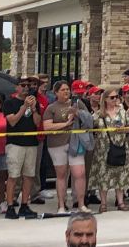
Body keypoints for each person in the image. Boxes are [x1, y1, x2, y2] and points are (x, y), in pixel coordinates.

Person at [43, 81, 85, 214]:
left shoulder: (77, 104)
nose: (66, 92)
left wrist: (78, 113)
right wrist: (65, 124)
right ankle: (61, 205)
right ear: (56, 93)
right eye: (63, 90)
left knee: (79, 174)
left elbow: (89, 120)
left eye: (67, 89)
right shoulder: (51, 108)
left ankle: (81, 204)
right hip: (57, 144)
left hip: (75, 144)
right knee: (61, 175)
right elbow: (47, 127)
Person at [3, 80, 42, 219]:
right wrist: (23, 106)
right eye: (23, 86)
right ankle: (10, 205)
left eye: (28, 86)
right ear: (17, 87)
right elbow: (12, 121)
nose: (26, 88)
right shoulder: (9, 103)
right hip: (15, 143)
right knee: (13, 175)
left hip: (31, 143)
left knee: (29, 175)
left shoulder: (34, 103)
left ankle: (25, 204)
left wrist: (34, 109)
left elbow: (37, 122)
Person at [90, 88, 129, 213]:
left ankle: (120, 201)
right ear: (105, 99)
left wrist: (124, 129)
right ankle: (103, 203)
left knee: (121, 174)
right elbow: (91, 127)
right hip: (104, 149)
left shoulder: (122, 112)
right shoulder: (99, 114)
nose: (115, 99)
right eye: (112, 97)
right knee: (104, 175)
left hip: (120, 146)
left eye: (116, 97)